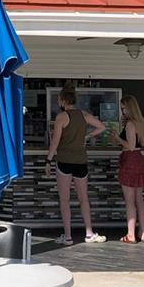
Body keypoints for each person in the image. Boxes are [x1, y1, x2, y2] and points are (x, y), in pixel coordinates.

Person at [45, 83, 106, 245]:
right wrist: (86, 137)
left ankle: (68, 236)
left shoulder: (61, 117)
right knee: (83, 198)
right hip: (81, 161)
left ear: (64, 100)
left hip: (64, 161)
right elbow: (102, 127)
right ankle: (89, 233)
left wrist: (48, 160)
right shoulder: (84, 115)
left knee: (64, 200)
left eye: (59, 99)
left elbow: (55, 142)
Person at [109, 94, 144, 243]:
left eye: (124, 108)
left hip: (130, 160)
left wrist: (117, 137)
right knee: (139, 199)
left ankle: (131, 234)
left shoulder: (130, 124)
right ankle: (142, 233)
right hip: (139, 159)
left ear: (130, 108)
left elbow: (130, 146)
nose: (122, 111)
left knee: (130, 201)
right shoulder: (140, 123)